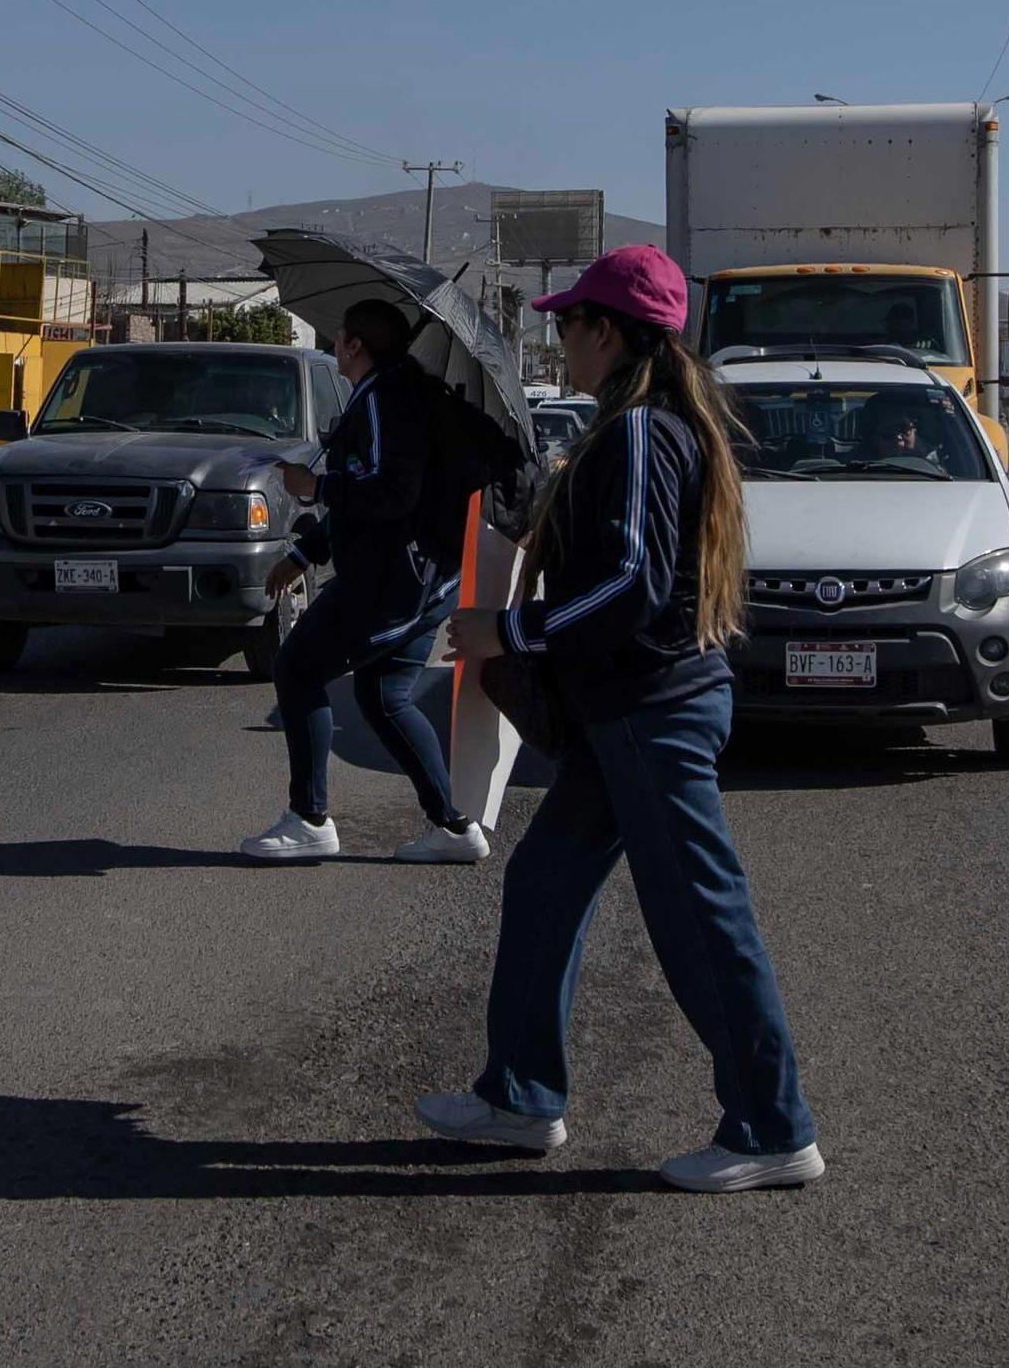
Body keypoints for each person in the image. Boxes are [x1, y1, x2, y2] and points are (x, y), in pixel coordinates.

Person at [421, 245, 823, 1194]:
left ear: (609, 332)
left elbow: (632, 587)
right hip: (628, 715)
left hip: (653, 711)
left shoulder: (642, 431)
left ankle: (772, 1126)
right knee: (543, 883)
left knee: (700, 921)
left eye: (569, 323)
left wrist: (508, 631)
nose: (559, 339)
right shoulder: (633, 427)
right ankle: (520, 1095)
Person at [243, 297, 485, 864]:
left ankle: (309, 819)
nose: (332, 344)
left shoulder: (386, 400)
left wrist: (315, 487)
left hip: (392, 584)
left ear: (355, 346)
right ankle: (455, 828)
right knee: (383, 695)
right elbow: (372, 493)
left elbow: (390, 494)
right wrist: (306, 553)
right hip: (423, 581)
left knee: (298, 668)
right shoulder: (391, 392)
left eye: (339, 336)